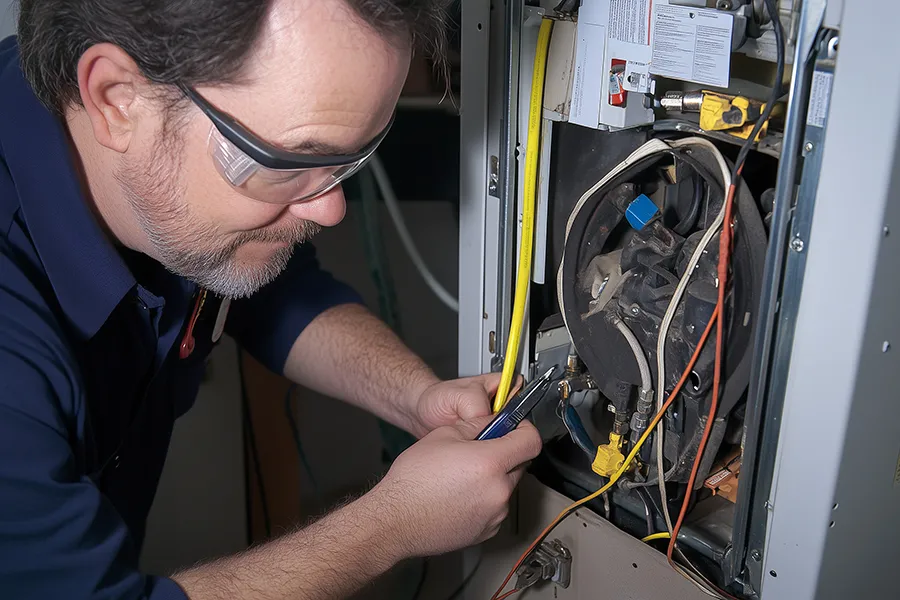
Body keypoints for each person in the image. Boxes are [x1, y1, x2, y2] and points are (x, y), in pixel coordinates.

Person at [0, 1, 543, 598]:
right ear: (116, 97)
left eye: (350, 159)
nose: (332, 209)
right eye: (289, 165)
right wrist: (390, 525)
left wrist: (417, 397)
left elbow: (269, 288)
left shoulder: (162, 189)